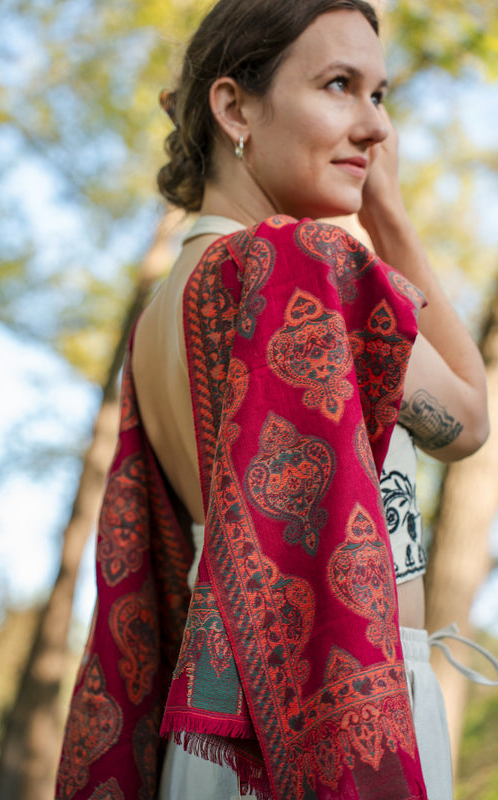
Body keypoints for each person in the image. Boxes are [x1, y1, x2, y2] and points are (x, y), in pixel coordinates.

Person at [56, 2, 490, 799]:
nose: (375, 130)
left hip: (221, 738)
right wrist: (387, 214)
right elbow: (465, 422)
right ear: (234, 108)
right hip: (342, 727)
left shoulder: (163, 312)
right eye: (338, 85)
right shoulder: (301, 269)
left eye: (379, 95)